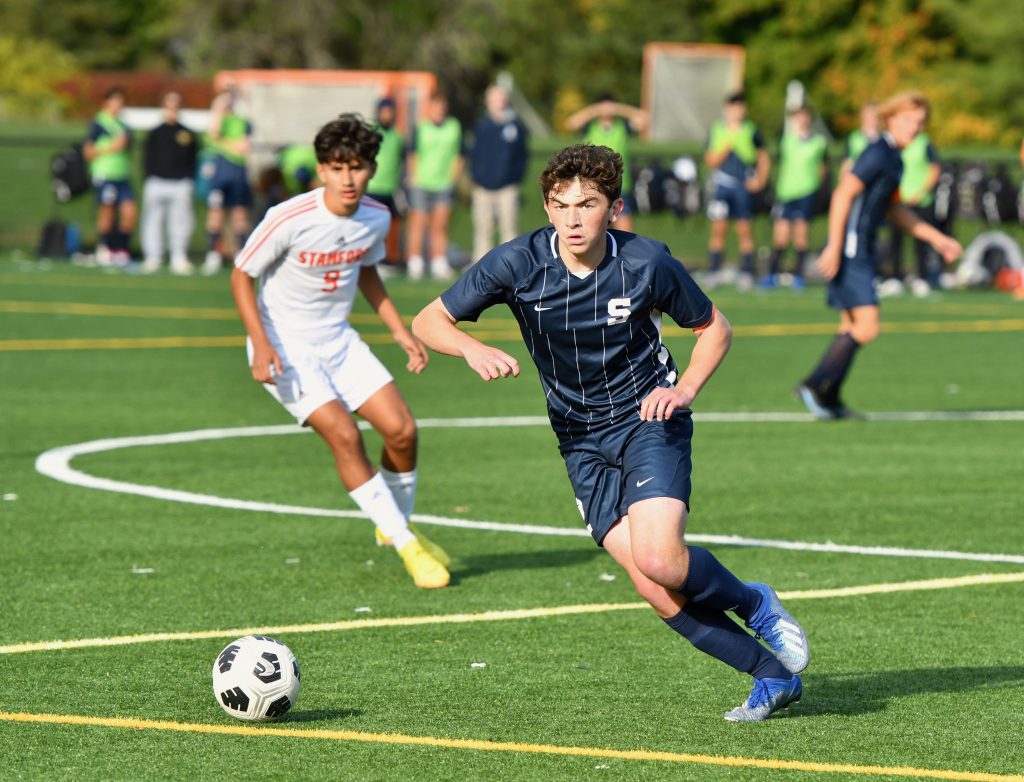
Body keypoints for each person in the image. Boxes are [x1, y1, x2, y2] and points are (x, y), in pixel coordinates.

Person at [412, 143, 810, 721]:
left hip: (647, 420)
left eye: (588, 204)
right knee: (654, 587)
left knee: (662, 560)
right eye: (560, 205)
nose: (573, 219)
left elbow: (713, 328)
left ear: (614, 208)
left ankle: (755, 601)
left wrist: (685, 389)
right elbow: (429, 320)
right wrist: (470, 348)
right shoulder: (516, 263)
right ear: (546, 208)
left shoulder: (646, 262)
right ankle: (770, 675)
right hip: (578, 439)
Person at [230, 113, 451, 589]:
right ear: (321, 170)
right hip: (287, 345)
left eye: (357, 167)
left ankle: (394, 526)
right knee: (346, 435)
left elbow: (366, 270)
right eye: (337, 167)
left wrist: (398, 329)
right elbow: (242, 275)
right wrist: (261, 344)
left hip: (340, 340)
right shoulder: (288, 217)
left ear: (371, 167)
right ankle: (407, 544)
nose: (347, 178)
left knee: (403, 431)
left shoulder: (376, 215)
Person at [795, 92, 962, 420]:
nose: (915, 128)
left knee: (850, 325)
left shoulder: (895, 158)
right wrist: (834, 245)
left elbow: (895, 210)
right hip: (853, 248)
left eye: (920, 122)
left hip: (858, 247)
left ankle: (829, 398)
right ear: (891, 119)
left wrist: (938, 238)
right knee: (868, 327)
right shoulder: (878, 153)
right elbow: (843, 192)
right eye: (908, 120)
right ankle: (814, 385)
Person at [704, 92, 770, 290]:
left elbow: (763, 157)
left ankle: (747, 272)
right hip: (722, 186)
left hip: (742, 186)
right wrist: (727, 146)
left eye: (740, 107)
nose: (736, 111)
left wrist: (760, 180)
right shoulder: (717, 130)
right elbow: (710, 160)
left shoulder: (751, 130)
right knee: (719, 228)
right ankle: (715, 270)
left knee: (744, 228)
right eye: (733, 107)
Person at [762, 105, 828, 289]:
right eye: (798, 117)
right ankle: (772, 273)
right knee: (780, 235)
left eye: (804, 117)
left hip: (806, 192)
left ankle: (799, 275)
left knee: (801, 235)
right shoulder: (786, 140)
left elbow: (823, 169)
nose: (801, 120)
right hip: (785, 193)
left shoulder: (819, 143)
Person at [565, 93, 648, 232]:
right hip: (593, 184)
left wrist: (619, 108)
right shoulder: (590, 126)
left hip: (620, 185)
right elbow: (570, 123)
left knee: (624, 231)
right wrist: (594, 110)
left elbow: (644, 119)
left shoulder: (622, 126)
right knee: (593, 230)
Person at [405, 92, 463, 281]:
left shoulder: (454, 127)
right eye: (436, 105)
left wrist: (453, 179)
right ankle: (415, 262)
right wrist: (412, 178)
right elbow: (412, 154)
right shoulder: (420, 128)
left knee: (440, 225)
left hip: (443, 184)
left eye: (442, 106)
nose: (440, 110)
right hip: (421, 183)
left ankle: (438, 261)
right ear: (429, 107)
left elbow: (459, 155)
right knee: (418, 224)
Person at [469, 84, 529, 263]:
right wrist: (476, 178)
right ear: (488, 102)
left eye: (501, 99)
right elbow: (475, 154)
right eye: (495, 99)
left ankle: (509, 267)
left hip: (507, 188)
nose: (499, 103)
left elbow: (522, 156)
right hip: (482, 187)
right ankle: (479, 268)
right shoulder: (481, 126)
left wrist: (514, 179)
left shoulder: (515, 126)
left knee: (509, 230)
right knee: (482, 230)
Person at [140, 91, 198, 275]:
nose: (172, 107)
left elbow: (193, 159)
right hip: (157, 182)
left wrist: (188, 179)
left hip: (180, 183)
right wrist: (150, 177)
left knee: (180, 222)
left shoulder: (187, 133)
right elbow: (147, 158)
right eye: (169, 103)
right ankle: (153, 257)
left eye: (176, 103)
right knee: (153, 221)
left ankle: (178, 257)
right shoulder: (155, 132)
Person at [884, 122, 943, 297]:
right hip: (898, 200)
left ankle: (922, 278)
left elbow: (935, 169)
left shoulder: (925, 143)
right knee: (895, 242)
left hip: (920, 201)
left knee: (921, 243)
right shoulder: (895, 144)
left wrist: (921, 192)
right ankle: (895, 278)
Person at [83, 85, 136, 266]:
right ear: (107, 102)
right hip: (105, 174)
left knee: (129, 212)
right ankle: (105, 247)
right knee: (107, 211)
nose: (118, 105)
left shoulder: (123, 125)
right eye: (115, 101)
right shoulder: (99, 123)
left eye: (121, 101)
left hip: (122, 174)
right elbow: (88, 152)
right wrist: (112, 147)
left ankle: (121, 248)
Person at [202, 87, 253, 275]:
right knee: (215, 216)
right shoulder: (218, 121)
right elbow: (214, 133)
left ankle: (241, 254)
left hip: (237, 174)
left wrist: (223, 143)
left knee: (239, 216)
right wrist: (218, 107)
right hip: (219, 177)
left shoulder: (242, 122)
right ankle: (212, 255)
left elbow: (242, 148)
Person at [366, 97, 406, 268]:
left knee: (390, 227)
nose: (387, 115)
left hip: (390, 189)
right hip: (373, 187)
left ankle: (389, 259)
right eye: (385, 111)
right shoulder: (372, 134)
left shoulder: (397, 136)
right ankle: (371, 261)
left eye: (390, 111)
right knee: (371, 227)